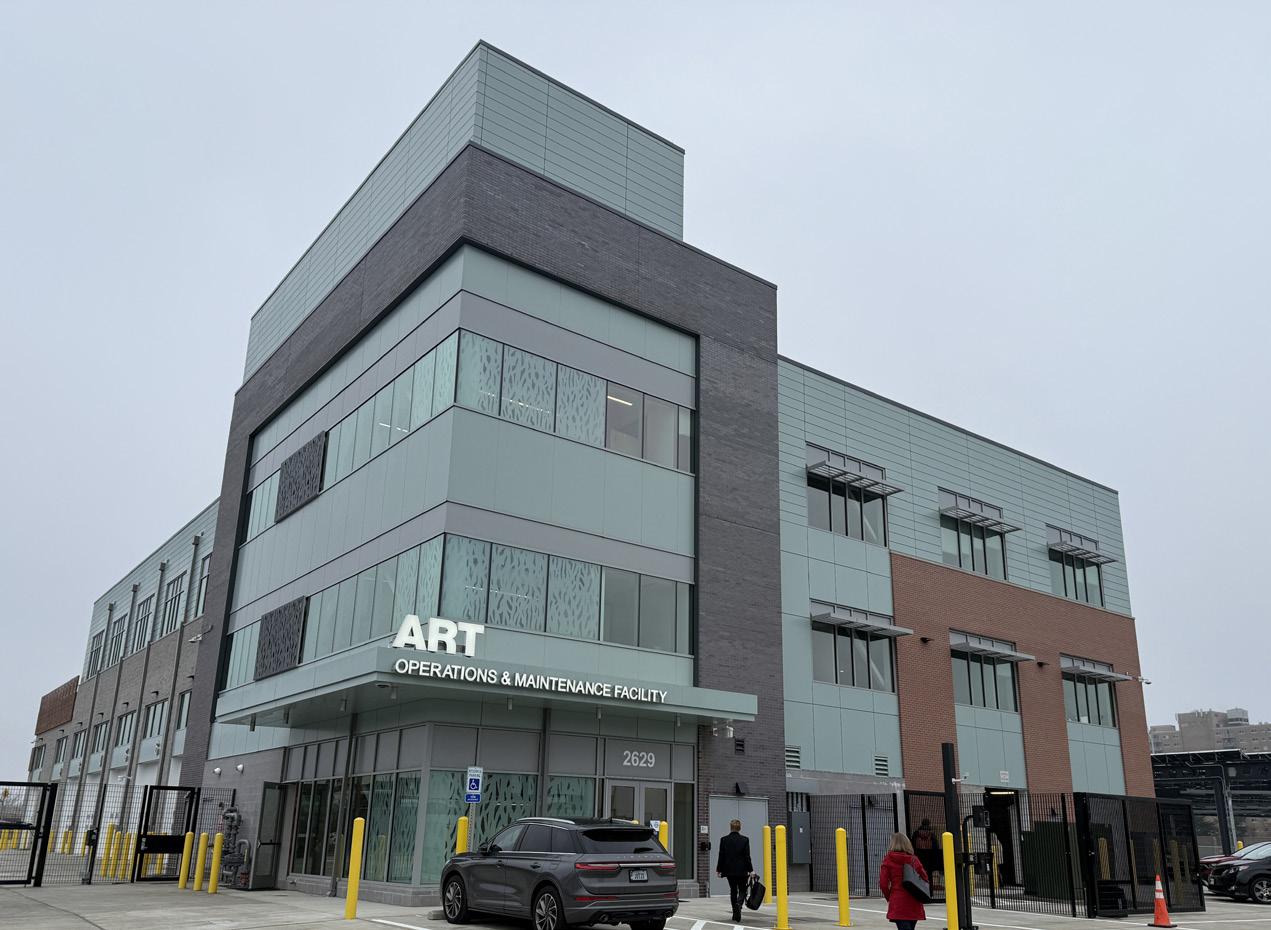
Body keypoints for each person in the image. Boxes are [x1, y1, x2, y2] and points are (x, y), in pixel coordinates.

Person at [879, 832, 929, 930]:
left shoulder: (888, 859)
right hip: (914, 900)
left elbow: (883, 884)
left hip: (898, 901)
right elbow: (925, 878)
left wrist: (889, 897)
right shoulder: (914, 859)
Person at [716, 819, 755, 923]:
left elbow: (721, 855)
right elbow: (747, 857)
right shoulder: (745, 840)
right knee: (743, 890)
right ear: (739, 828)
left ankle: (734, 912)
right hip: (742, 870)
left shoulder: (724, 839)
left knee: (733, 890)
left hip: (729, 870)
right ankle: (739, 904)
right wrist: (751, 870)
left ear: (730, 827)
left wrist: (719, 869)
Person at [910, 819, 941, 887]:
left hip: (918, 857)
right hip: (929, 859)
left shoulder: (916, 834)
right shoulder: (931, 835)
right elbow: (936, 847)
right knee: (929, 876)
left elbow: (912, 845)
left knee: (918, 875)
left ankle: (920, 889)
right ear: (929, 824)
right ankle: (930, 890)